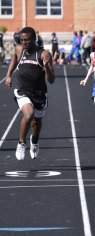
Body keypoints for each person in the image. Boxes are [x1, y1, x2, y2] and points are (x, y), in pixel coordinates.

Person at [5, 27, 55, 160]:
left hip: (39, 93)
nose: (24, 42)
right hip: (23, 91)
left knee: (37, 122)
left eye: (27, 40)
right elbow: (14, 59)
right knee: (28, 115)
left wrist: (47, 67)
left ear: (34, 39)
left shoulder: (44, 54)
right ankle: (21, 143)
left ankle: (35, 141)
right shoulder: (19, 49)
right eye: (22, 40)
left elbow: (51, 80)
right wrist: (8, 75)